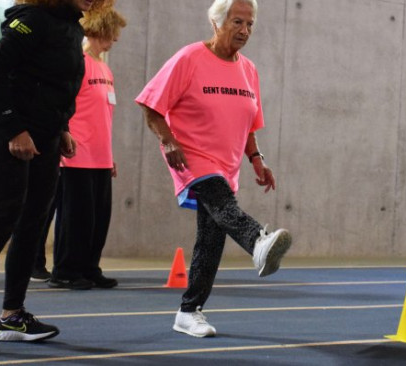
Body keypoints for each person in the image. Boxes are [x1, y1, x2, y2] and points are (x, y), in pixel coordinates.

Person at [136, 0, 292, 338]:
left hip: (228, 165)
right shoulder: (189, 58)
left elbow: (250, 123)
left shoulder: (248, 70)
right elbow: (151, 105)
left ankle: (188, 312)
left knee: (210, 238)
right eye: (237, 22)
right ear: (216, 21)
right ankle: (258, 241)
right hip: (189, 155)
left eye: (250, 24)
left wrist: (257, 159)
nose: (245, 30)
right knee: (223, 206)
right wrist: (168, 141)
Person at [0, 0, 107, 351]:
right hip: (8, 135)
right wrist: (14, 129)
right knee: (0, 224)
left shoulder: (73, 27)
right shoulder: (32, 19)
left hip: (45, 138)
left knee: (32, 224)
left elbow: (58, 85)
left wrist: (63, 127)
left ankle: (12, 317)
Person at [48, 7, 127, 290]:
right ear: (98, 30)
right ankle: (65, 270)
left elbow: (103, 116)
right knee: (75, 218)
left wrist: (110, 156)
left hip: (101, 157)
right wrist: (63, 138)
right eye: (112, 33)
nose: (115, 39)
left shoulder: (105, 68)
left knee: (97, 218)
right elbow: (62, 106)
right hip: (76, 155)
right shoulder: (77, 62)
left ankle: (89, 267)